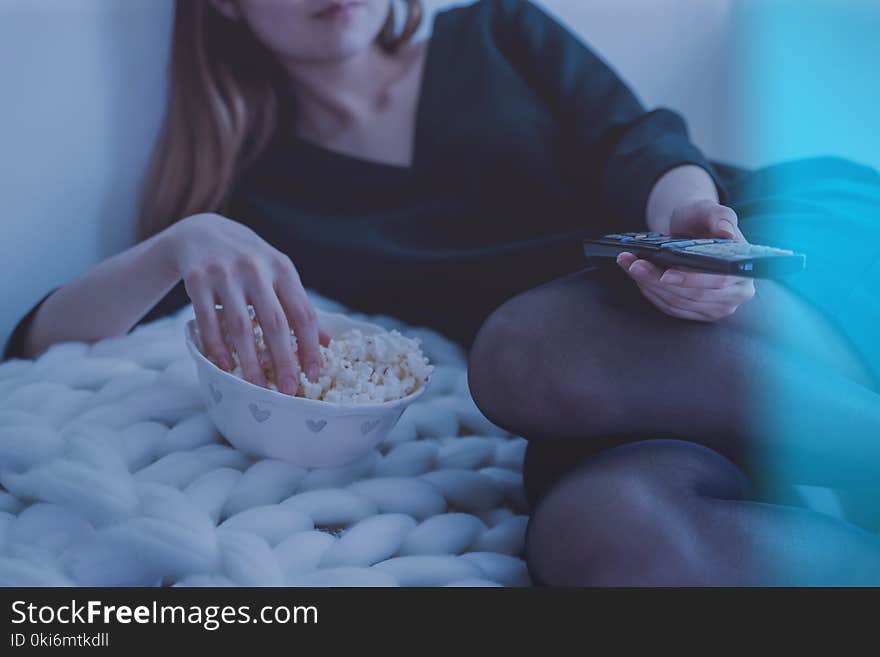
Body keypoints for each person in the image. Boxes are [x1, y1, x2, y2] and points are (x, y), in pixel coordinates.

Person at [4, 0, 880, 585]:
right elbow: (38, 348)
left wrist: (694, 224)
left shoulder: (495, 32)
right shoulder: (265, 200)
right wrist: (179, 241)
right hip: (595, 392)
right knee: (599, 534)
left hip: (752, 260)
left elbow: (640, 143)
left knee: (526, 347)